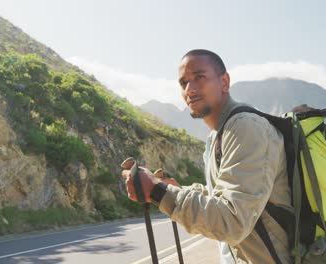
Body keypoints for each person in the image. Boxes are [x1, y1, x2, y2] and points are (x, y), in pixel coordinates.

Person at [121, 49, 291, 263]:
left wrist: (157, 191)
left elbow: (232, 221)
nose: (190, 89)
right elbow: (224, 196)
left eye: (199, 77)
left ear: (225, 82)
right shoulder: (218, 136)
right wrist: (174, 189)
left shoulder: (246, 128)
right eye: (183, 83)